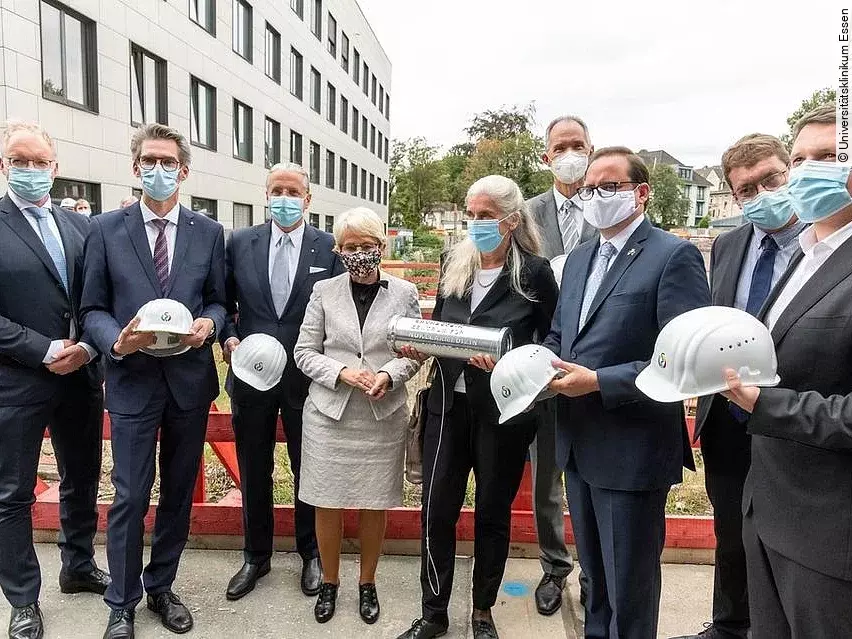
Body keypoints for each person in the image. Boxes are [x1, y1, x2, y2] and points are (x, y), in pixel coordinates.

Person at [543, 147, 710, 639]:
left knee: (629, 589)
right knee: (595, 580)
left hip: (632, 449)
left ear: (641, 193)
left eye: (608, 186)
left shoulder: (672, 255)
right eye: (589, 187)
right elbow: (560, 335)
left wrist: (598, 381)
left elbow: (682, 358)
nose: (595, 195)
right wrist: (536, 368)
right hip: (578, 445)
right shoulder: (577, 260)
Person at [395, 175, 559, 639]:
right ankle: (433, 612)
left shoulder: (534, 272)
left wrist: (510, 361)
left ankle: (483, 609)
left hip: (502, 413)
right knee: (436, 508)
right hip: (447, 406)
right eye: (471, 214)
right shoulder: (454, 262)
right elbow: (441, 327)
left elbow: (550, 340)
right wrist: (420, 344)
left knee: (492, 511)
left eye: (485, 216)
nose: (476, 223)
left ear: (510, 220)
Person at [80, 123, 226, 639]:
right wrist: (116, 343)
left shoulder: (208, 232)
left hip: (188, 381)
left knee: (179, 493)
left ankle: (161, 586)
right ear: (135, 166)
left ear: (184, 171)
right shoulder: (103, 230)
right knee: (130, 494)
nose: (158, 169)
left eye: (168, 161)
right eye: (149, 160)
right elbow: (91, 308)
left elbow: (217, 301)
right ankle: (122, 601)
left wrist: (211, 324)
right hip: (132, 381)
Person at [723, 105, 852, 638]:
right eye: (800, 158)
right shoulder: (807, 254)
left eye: (829, 157)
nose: (809, 171)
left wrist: (763, 403)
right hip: (768, 508)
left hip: (830, 532)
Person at [670, 135, 806, 639]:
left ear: (790, 170)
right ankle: (730, 623)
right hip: (727, 414)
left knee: (793, 539)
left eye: (772, 179)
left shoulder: (828, 243)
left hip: (794, 414)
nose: (763, 194)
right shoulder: (729, 245)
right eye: (747, 189)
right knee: (730, 531)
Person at [0, 120, 107, 639]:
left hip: (81, 376)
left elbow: (97, 298)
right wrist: (41, 349)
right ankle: (23, 599)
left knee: (82, 477)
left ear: (56, 167)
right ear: (4, 166)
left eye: (40, 161)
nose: (31, 170)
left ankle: (78, 565)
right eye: (20, 161)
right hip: (17, 380)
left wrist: (86, 346)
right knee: (12, 493)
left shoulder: (80, 226)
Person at [222, 162, 344, 602]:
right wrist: (228, 336)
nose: (285, 198)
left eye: (294, 191)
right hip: (251, 377)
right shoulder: (239, 242)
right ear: (266, 194)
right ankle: (256, 556)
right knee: (254, 469)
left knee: (306, 469)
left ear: (308, 199)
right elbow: (222, 301)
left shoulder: (328, 247)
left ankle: (310, 551)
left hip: (306, 381)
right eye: (277, 190)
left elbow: (340, 312)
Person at [293, 207, 422, 625]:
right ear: (339, 250)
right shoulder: (324, 292)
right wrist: (342, 372)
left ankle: (367, 582)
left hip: (381, 414)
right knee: (326, 502)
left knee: (374, 503)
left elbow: (414, 353)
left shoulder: (404, 293)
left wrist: (388, 373)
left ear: (381, 247)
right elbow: (304, 352)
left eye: (367, 246)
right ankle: (329, 582)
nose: (359, 254)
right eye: (350, 247)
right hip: (330, 413)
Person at [526, 115, 597, 615]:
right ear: (546, 156)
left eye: (578, 145)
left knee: (594, 478)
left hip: (599, 371)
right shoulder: (526, 215)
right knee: (545, 478)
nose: (570, 153)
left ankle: (595, 570)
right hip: (542, 368)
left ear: (590, 150)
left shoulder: (612, 207)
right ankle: (555, 566)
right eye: (560, 146)